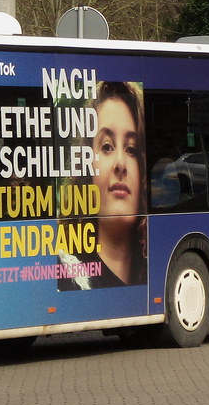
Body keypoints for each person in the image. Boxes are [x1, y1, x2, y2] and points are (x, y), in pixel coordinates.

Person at [59, 81, 148, 290]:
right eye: (107, 146)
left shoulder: (155, 270)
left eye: (132, 149)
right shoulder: (65, 277)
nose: (120, 164)